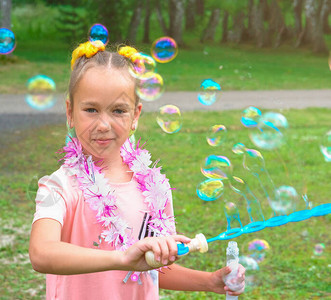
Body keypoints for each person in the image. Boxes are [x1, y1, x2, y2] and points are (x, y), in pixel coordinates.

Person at [29, 40, 245, 300]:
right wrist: (121, 258)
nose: (103, 124)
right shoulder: (60, 186)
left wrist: (210, 281)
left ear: (136, 116)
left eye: (118, 110)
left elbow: (153, 266)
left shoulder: (155, 188)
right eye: (91, 110)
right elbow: (41, 253)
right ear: (70, 112)